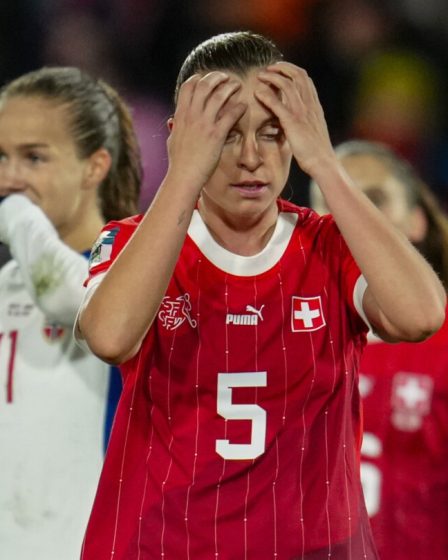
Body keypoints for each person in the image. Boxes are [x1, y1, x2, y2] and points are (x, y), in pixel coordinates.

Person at [76, 31, 445, 560]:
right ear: (183, 137)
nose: (252, 157)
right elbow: (110, 335)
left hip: (315, 549)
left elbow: (420, 316)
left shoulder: (330, 245)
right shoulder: (131, 241)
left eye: (273, 133)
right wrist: (183, 173)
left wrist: (326, 164)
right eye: (226, 135)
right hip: (163, 545)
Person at [0, 66, 142, 559]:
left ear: (94, 166)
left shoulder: (134, 281)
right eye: (1, 157)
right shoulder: (7, 285)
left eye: (33, 158)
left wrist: (16, 214)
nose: (9, 177)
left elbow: (73, 302)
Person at [311, 139, 448, 560]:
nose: (354, 219)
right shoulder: (279, 333)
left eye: (374, 199)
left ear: (417, 221)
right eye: (334, 200)